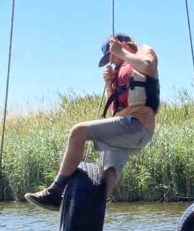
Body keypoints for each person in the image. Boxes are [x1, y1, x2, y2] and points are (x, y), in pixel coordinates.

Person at [25, 33, 159, 209]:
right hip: (127, 130)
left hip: (137, 125)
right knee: (108, 170)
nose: (111, 60)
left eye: (111, 54)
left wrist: (122, 52)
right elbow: (114, 112)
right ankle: (92, 211)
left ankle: (55, 191)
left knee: (78, 131)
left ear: (123, 44)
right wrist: (110, 84)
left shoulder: (143, 51)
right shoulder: (117, 72)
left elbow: (148, 66)